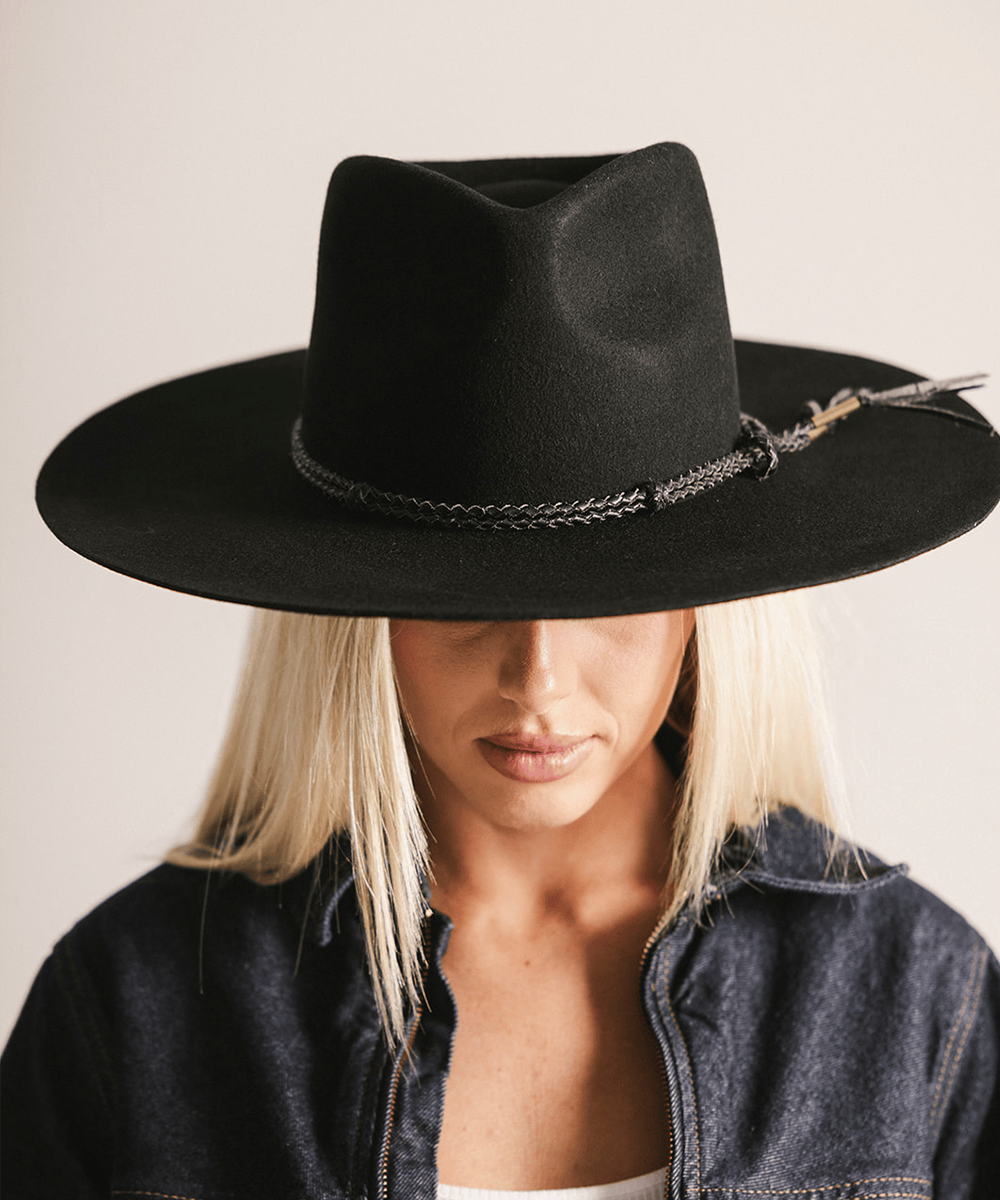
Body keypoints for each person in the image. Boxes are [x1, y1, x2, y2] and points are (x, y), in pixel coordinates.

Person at [2, 143, 998, 1198]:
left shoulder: (914, 991)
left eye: (609, 600)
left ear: (709, 612)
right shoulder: (138, 997)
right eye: (461, 600)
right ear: (353, 620)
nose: (538, 680)